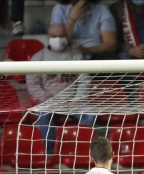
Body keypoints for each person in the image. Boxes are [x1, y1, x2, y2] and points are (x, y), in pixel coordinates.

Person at [28, 24, 95, 154]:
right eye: (54, 36)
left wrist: (78, 99)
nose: (57, 39)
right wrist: (47, 99)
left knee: (90, 113)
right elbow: (33, 84)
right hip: (48, 101)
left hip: (73, 102)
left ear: (66, 37)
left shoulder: (76, 55)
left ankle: (81, 149)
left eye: (61, 36)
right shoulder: (38, 58)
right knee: (43, 113)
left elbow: (84, 79)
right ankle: (50, 153)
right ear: (48, 37)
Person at [51, 0, 117, 59]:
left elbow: (111, 44)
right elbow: (59, 43)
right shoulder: (59, 9)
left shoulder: (102, 10)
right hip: (67, 53)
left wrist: (87, 50)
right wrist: (72, 19)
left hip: (94, 54)